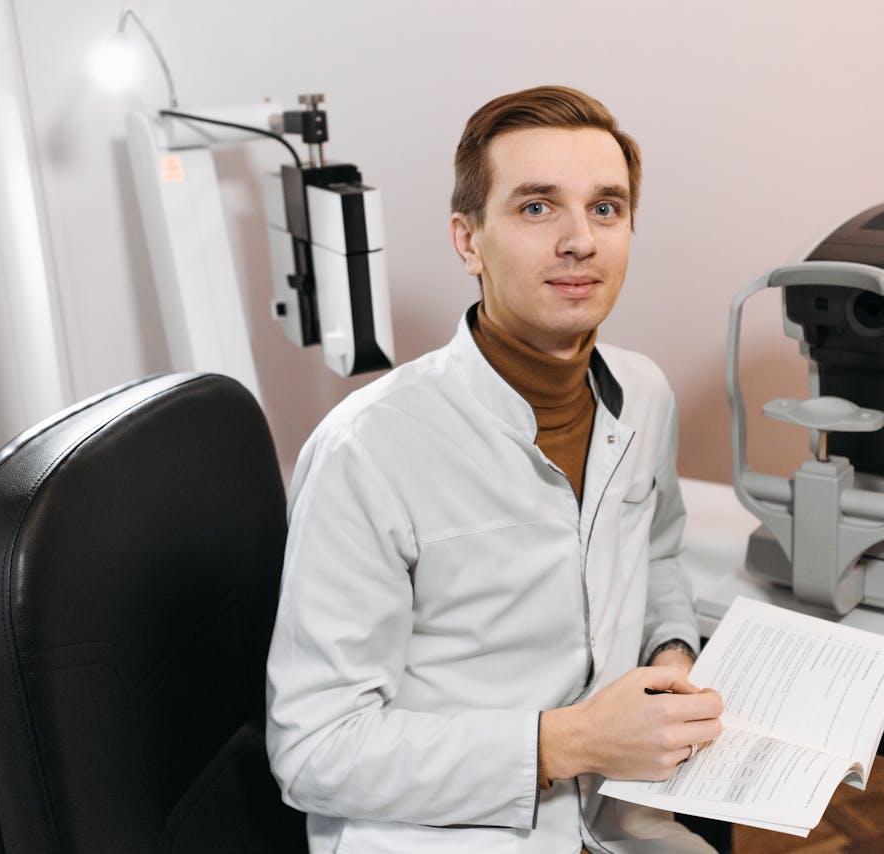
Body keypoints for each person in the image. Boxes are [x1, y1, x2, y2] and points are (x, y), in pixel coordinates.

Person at [266, 85, 723, 854]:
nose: (580, 240)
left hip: (615, 817)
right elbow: (314, 751)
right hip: (444, 836)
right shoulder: (367, 450)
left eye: (606, 209)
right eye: (537, 208)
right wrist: (566, 743)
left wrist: (669, 651)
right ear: (468, 241)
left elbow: (657, 555)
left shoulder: (643, 394)